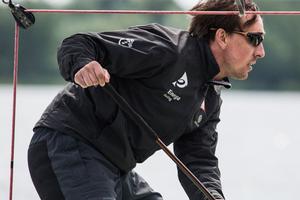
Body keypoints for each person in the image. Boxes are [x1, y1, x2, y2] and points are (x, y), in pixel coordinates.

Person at [28, 0, 265, 199]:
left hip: (116, 168)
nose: (260, 51)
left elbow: (199, 159)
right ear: (222, 37)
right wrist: (82, 64)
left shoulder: (210, 97)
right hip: (68, 146)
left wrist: (212, 196)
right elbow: (79, 44)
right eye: (254, 39)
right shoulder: (167, 49)